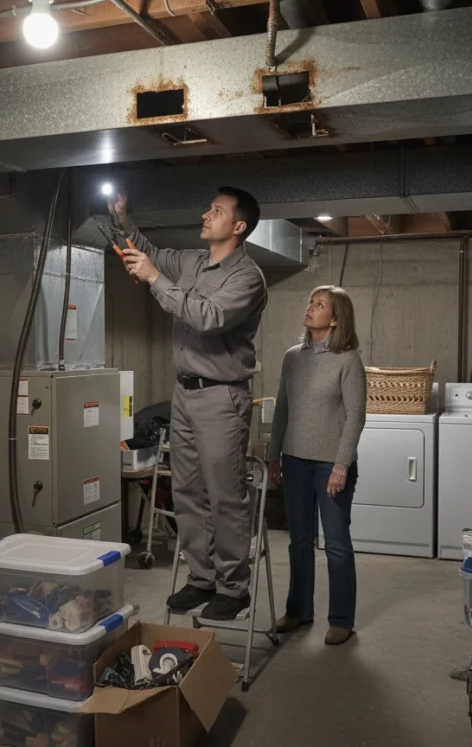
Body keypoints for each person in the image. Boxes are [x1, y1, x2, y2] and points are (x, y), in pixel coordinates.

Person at [108, 187, 267, 621]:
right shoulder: (192, 261)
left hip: (222, 396)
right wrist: (124, 220)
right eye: (208, 207)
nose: (205, 214)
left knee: (225, 495)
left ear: (237, 227)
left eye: (216, 211)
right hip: (185, 393)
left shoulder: (246, 278)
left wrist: (155, 279)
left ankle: (233, 588)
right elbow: (150, 253)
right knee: (186, 491)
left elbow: (208, 318)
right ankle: (202, 578)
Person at [267, 285, 367, 645]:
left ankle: (341, 619)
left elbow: (356, 417)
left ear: (336, 319)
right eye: (311, 301)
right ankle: (298, 611)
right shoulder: (293, 357)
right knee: (298, 541)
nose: (311, 308)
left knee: (337, 544)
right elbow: (282, 409)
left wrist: (341, 465)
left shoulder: (348, 360)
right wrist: (272, 454)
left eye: (320, 305)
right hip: (294, 461)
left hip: (330, 466)